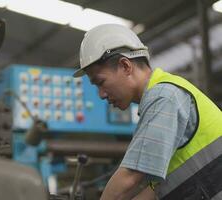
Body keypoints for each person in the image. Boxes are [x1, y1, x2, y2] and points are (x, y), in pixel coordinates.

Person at [73, 23, 222, 200]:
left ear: (125, 66)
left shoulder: (164, 97)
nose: (101, 94)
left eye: (100, 82)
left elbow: (129, 177)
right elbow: (158, 190)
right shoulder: (159, 101)